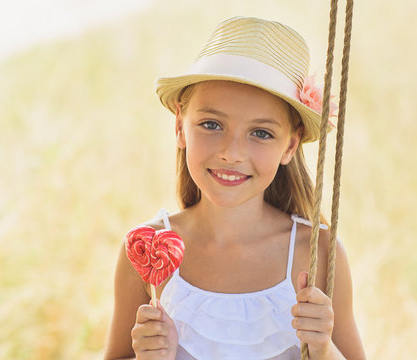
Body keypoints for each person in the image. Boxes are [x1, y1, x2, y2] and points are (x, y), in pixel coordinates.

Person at [104, 16, 365, 360]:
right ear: (180, 126)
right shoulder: (148, 249)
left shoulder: (317, 253)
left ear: (290, 146)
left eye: (261, 133)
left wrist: (323, 348)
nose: (231, 153)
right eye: (211, 124)